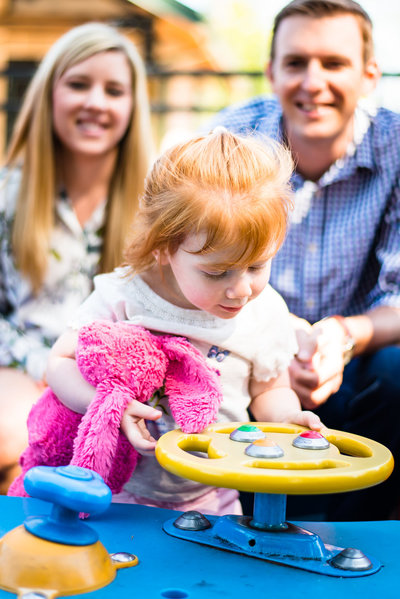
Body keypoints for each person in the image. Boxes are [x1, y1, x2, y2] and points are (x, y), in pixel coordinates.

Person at [45, 128, 323, 516]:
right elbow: (59, 362)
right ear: (163, 247)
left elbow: (268, 390)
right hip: (117, 492)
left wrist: (286, 417)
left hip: (217, 492)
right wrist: (107, 405)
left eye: (257, 265)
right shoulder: (126, 296)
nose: (241, 289)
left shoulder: (263, 312)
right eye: (217, 272)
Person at [208, 0, 400, 520]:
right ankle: (235, 520)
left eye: (333, 64)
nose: (313, 82)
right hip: (246, 341)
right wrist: (276, 336)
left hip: (362, 356)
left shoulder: (397, 145)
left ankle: (372, 536)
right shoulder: (230, 141)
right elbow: (192, 264)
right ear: (272, 72)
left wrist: (341, 336)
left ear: (369, 75)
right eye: (296, 63)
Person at [0, 22, 153, 493]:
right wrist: (45, 366)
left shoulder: (157, 207)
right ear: (50, 94)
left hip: (118, 377)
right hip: (24, 364)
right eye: (79, 84)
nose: (96, 102)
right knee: (15, 439)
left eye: (114, 90)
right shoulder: (9, 193)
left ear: (132, 105)